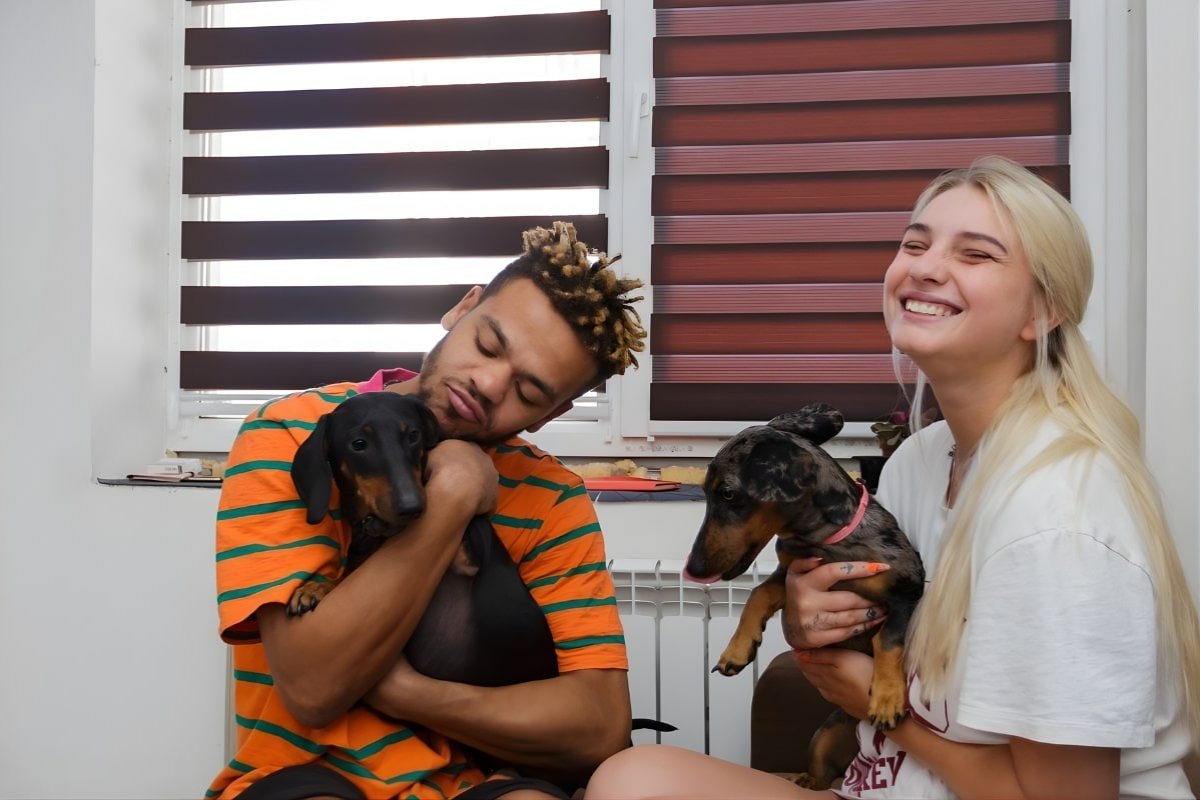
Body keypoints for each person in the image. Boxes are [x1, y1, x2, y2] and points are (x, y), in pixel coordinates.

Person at [582, 157, 1200, 799]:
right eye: (915, 244)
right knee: (632, 780)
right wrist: (809, 620)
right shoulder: (921, 459)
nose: (925, 267)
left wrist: (886, 714)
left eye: (976, 254)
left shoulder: (1059, 521)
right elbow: (868, 617)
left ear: (1043, 312)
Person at [208, 221, 647, 800]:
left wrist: (406, 693)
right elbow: (313, 689)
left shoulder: (553, 498)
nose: (488, 384)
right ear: (462, 308)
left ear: (550, 414)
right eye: (488, 345)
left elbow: (600, 729)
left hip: (485, 783)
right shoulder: (290, 432)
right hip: (305, 775)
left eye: (529, 392)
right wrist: (455, 492)